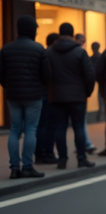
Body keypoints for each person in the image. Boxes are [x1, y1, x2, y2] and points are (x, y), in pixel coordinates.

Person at [0, 16, 51, 178]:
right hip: (34, 95)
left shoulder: (6, 49)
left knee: (15, 130)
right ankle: (28, 166)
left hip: (13, 95)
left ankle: (14, 168)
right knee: (31, 129)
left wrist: (8, 87)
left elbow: (1, 74)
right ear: (32, 30)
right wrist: (40, 86)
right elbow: (47, 75)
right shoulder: (38, 49)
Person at [47, 23, 96, 169]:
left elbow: (44, 74)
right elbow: (89, 75)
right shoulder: (80, 52)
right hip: (77, 96)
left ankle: (62, 160)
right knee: (79, 127)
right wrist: (87, 92)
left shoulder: (49, 52)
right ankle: (81, 158)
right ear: (72, 34)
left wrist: (50, 90)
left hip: (56, 96)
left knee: (60, 128)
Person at [35, 33, 59, 165]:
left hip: (39, 92)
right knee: (50, 125)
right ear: (54, 41)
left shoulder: (42, 52)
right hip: (49, 93)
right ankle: (47, 153)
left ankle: (39, 154)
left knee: (40, 125)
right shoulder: (50, 54)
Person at [90, 42, 103, 121]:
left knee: (100, 97)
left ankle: (99, 114)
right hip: (100, 78)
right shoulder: (101, 57)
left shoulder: (90, 58)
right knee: (101, 96)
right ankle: (100, 113)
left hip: (93, 77)